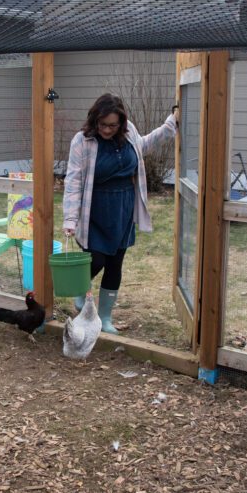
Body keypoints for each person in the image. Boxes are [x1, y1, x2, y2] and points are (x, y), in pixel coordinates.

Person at [62, 93, 178, 334]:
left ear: (121, 123)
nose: (107, 129)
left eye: (112, 125)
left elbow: (143, 145)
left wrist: (169, 126)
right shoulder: (82, 141)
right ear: (95, 120)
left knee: (115, 263)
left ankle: (104, 318)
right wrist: (70, 218)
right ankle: (79, 290)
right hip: (95, 209)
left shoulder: (129, 132)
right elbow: (73, 180)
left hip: (123, 208)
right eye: (102, 124)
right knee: (97, 259)